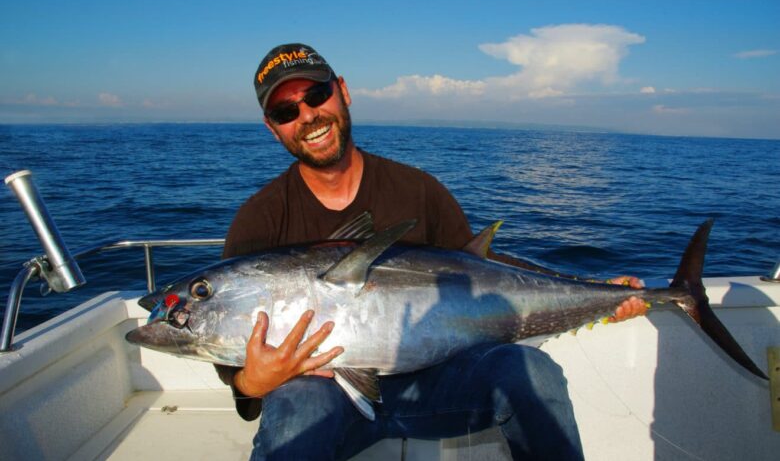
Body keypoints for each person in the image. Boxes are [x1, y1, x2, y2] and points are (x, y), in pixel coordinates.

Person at [216, 43, 647, 461]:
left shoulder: (417, 190)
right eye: (286, 111)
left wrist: (595, 294)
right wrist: (250, 382)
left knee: (534, 373)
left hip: (439, 384)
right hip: (320, 394)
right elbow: (226, 344)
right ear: (272, 127)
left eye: (316, 95)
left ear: (342, 91)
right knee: (297, 406)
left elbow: (481, 273)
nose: (308, 115)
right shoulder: (259, 222)